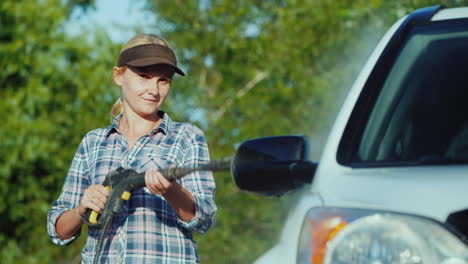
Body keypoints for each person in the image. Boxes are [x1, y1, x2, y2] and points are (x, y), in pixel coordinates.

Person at [47, 34, 217, 263]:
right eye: (144, 76)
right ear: (119, 75)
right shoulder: (93, 142)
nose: (154, 90)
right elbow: (58, 230)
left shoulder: (187, 137)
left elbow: (204, 219)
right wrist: (81, 209)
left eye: (163, 80)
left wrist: (171, 191)